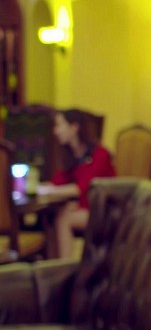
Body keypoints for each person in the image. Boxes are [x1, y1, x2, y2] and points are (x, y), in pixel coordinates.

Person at [47, 109, 116, 258]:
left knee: (64, 219)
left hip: (105, 211)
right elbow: (58, 182)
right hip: (86, 208)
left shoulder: (100, 154)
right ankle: (52, 263)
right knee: (55, 214)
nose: (56, 131)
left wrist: (47, 191)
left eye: (60, 125)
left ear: (74, 127)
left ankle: (64, 266)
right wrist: (43, 187)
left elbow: (83, 188)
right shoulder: (72, 155)